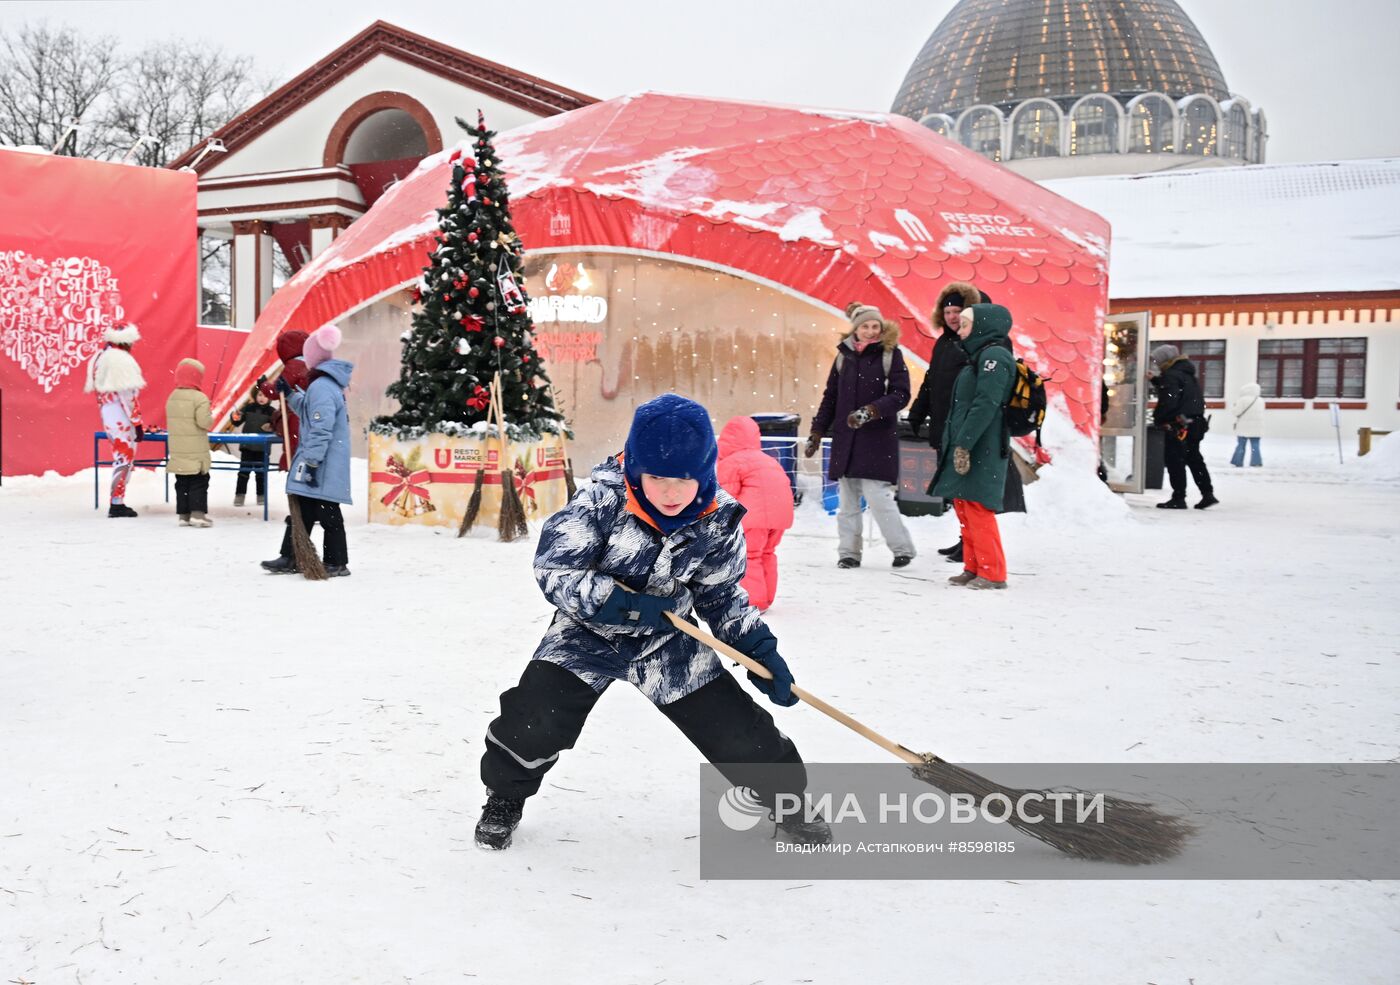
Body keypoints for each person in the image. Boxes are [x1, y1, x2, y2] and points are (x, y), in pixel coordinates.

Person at [475, 393, 827, 851]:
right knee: (534, 719)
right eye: (656, 478)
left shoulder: (717, 518)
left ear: (704, 471)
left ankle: (788, 802)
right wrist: (625, 606)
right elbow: (555, 569)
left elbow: (720, 594)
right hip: (587, 634)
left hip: (668, 640)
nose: (669, 492)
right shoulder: (601, 500)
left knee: (738, 732)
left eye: (683, 480)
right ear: (635, 468)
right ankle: (504, 796)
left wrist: (758, 649)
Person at [804, 302, 916, 569]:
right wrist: (817, 431)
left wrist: (871, 411)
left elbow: (901, 394)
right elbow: (831, 397)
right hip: (847, 439)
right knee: (848, 502)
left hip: (877, 439)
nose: (870, 331)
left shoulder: (891, 355)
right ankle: (849, 553)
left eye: (875, 325)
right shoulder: (843, 357)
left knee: (878, 498)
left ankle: (903, 549)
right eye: (865, 326)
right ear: (855, 328)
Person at [932, 303, 1016, 589]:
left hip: (984, 445)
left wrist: (964, 443)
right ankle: (974, 566)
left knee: (978, 507)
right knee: (965, 504)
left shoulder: (994, 357)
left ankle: (993, 573)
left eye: (966, 323)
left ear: (983, 326)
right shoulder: (978, 356)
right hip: (969, 443)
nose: (960, 327)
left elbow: (986, 404)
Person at [260, 324, 354, 576]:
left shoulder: (322, 386)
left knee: (327, 512)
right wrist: (291, 395)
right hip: (321, 460)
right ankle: (292, 555)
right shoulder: (321, 385)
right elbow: (309, 412)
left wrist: (311, 461)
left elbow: (321, 428)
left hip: (323, 462)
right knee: (302, 508)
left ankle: (335, 562)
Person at [908, 282, 977, 564]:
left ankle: (971, 542)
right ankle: (965, 539)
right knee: (954, 491)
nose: (952, 316)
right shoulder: (943, 343)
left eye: (957, 311)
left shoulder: (971, 342)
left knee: (965, 489)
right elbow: (931, 380)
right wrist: (917, 411)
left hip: (960, 428)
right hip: (942, 426)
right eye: (947, 311)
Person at [716, 415, 796, 611]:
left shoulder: (732, 462)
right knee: (768, 553)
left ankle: (755, 601)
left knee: (749, 555)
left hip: (754, 517)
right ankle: (767, 597)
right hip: (780, 516)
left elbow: (728, 495)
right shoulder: (769, 460)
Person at [84, 323, 146, 518]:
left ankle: (117, 500)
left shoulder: (99, 357)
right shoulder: (121, 360)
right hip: (120, 415)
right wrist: (136, 422)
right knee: (125, 458)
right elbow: (127, 395)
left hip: (107, 412)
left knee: (121, 458)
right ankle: (117, 502)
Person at [1149, 344, 1218, 509]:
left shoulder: (1171, 375)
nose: (1156, 364)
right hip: (1195, 423)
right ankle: (1207, 494)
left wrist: (1158, 419)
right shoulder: (1187, 374)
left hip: (1178, 426)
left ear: (1165, 360)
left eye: (1158, 361)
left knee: (1175, 461)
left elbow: (1169, 400)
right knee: (1194, 459)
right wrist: (1156, 380)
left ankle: (1178, 497)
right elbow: (1180, 392)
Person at [165, 358, 214, 527]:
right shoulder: (200, 398)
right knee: (199, 481)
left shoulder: (172, 397)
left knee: (182, 482)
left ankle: (184, 515)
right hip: (196, 451)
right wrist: (209, 413)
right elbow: (204, 422)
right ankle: (198, 514)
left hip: (178, 450)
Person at [268, 330, 310, 472]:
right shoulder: (312, 362)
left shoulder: (294, 365)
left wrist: (263, 385)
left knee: (293, 450)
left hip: (294, 413)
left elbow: (276, 391)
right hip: (310, 413)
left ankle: (289, 474)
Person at [232, 379, 276, 506]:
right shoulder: (248, 408)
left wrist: (271, 427)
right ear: (255, 395)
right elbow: (237, 422)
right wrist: (235, 417)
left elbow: (277, 426)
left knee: (261, 473)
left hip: (262, 448)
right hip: (247, 446)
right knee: (243, 472)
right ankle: (239, 495)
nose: (262, 398)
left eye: (265, 395)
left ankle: (261, 496)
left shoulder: (272, 412)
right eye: (260, 395)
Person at [1230, 381, 1264, 468]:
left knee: (1241, 445)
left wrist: (1234, 406)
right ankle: (1256, 462)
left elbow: (1236, 412)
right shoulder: (1260, 401)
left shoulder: (1242, 400)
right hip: (1257, 427)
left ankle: (1238, 461)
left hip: (1243, 426)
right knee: (1255, 445)